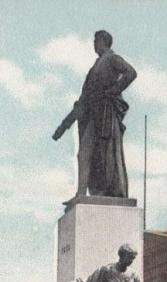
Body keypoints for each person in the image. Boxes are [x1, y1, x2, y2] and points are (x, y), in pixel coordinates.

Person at [52, 30, 137, 198]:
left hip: (105, 115)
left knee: (105, 156)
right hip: (92, 115)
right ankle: (81, 192)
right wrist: (64, 125)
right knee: (84, 153)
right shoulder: (94, 68)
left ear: (103, 42)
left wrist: (113, 91)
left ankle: (103, 191)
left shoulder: (112, 59)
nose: (94, 44)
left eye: (96, 41)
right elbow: (83, 99)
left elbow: (131, 73)